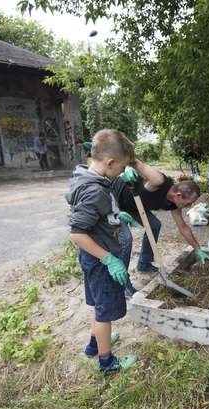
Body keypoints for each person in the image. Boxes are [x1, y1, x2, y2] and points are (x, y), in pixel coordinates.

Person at [66, 129, 137, 374]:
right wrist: (109, 259)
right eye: (121, 168)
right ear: (109, 162)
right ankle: (107, 363)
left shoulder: (91, 179)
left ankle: (93, 345)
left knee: (98, 306)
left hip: (94, 258)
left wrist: (115, 217)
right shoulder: (94, 190)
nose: (121, 173)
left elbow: (97, 214)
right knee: (105, 312)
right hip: (100, 259)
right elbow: (77, 233)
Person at [112, 159, 209, 287]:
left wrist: (198, 249)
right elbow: (132, 159)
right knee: (126, 238)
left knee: (154, 225)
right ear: (178, 195)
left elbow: (183, 227)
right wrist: (126, 167)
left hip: (134, 206)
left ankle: (144, 264)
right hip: (114, 201)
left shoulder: (173, 204)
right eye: (189, 203)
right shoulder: (158, 181)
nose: (190, 206)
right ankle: (123, 284)